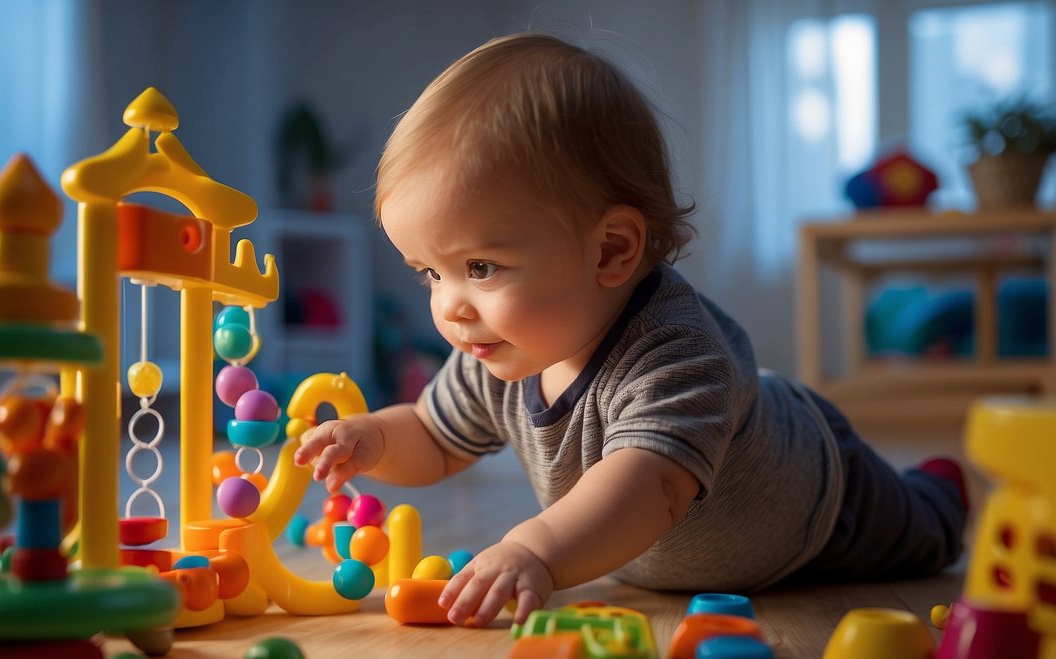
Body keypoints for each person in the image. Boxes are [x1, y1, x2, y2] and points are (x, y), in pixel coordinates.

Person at [294, 33, 967, 628]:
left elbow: (647, 489)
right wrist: (375, 439)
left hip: (822, 505)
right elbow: (437, 440)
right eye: (429, 274)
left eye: (479, 267)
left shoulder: (674, 351)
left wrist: (533, 550)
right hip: (697, 553)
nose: (450, 307)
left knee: (928, 536)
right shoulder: (492, 351)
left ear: (611, 251)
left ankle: (939, 487)